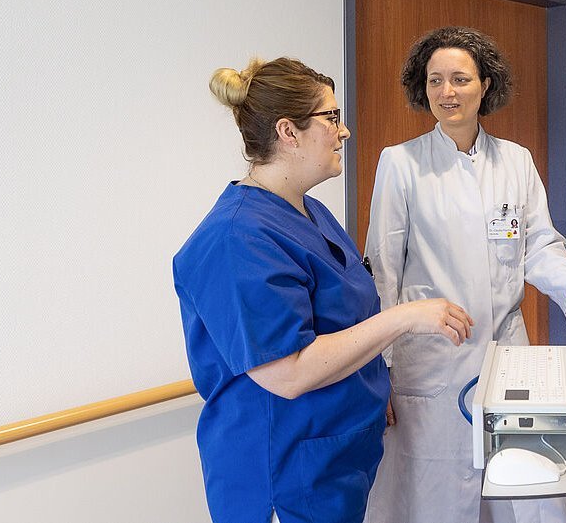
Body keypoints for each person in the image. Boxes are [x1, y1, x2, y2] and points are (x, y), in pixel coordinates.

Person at [173, 57, 474, 523]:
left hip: (333, 462)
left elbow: (344, 321)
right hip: (283, 475)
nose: (343, 131)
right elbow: (288, 372)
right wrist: (405, 317)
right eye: (331, 117)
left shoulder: (310, 213)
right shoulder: (237, 239)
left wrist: (374, 383)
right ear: (288, 132)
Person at [363, 27, 566, 523]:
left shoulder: (516, 162)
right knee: (436, 500)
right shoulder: (401, 164)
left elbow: (539, 246)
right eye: (435, 80)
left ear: (485, 85)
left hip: (507, 356)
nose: (447, 92)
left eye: (460, 79)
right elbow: (383, 269)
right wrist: (381, 368)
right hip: (431, 365)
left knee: (527, 492)